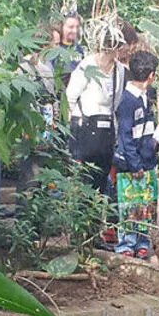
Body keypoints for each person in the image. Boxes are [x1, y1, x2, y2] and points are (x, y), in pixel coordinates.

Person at [65, 26, 128, 247]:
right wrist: (74, 125)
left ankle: (93, 234)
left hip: (106, 131)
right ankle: (77, 234)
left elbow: (116, 101)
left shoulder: (120, 70)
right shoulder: (86, 66)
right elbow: (70, 96)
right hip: (85, 129)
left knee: (101, 183)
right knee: (83, 182)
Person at [113, 50, 159, 259]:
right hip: (132, 163)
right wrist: (134, 163)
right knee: (129, 205)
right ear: (151, 75)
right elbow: (125, 135)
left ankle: (142, 241)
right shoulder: (127, 100)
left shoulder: (145, 97)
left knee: (145, 205)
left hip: (147, 159)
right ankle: (126, 243)